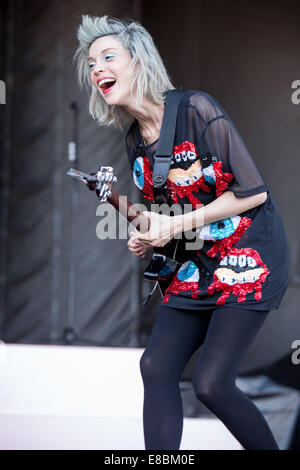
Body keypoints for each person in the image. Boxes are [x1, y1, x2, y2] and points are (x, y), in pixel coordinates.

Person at [75, 14, 289, 450]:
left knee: (212, 384)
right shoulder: (135, 138)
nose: (97, 68)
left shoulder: (195, 108)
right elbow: (168, 217)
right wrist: (147, 234)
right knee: (155, 366)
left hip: (247, 258)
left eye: (108, 56)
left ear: (139, 62)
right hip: (195, 264)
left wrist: (173, 224)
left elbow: (253, 194)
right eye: (91, 62)